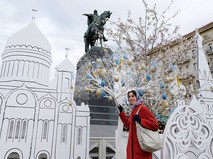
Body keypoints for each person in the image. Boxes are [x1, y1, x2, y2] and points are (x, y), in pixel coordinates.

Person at [117, 90, 159, 159]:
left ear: (137, 97)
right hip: (132, 150)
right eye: (129, 97)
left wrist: (141, 121)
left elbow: (155, 125)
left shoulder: (142, 108)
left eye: (133, 96)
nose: (131, 98)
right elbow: (129, 125)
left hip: (141, 150)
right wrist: (122, 113)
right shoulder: (134, 110)